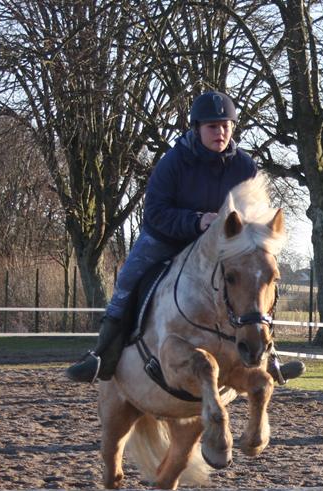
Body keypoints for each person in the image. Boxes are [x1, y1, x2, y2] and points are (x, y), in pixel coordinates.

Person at [66, 90, 304, 385]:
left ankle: (270, 356)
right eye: (212, 127)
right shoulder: (173, 162)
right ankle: (103, 357)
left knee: (256, 279)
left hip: (222, 246)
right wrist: (196, 221)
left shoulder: (245, 166)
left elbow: (255, 217)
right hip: (167, 238)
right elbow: (154, 213)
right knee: (128, 279)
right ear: (197, 129)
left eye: (226, 126)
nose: (220, 132)